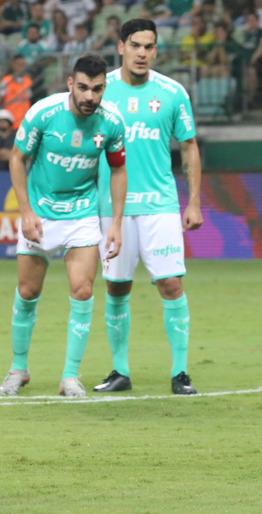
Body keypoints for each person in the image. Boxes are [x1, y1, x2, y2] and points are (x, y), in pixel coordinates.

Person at [0, 54, 127, 398]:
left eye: (97, 89)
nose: (89, 96)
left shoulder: (112, 123)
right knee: (27, 292)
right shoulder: (43, 113)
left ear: (104, 87)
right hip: (40, 213)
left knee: (82, 290)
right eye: (83, 87)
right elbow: (17, 157)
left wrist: (115, 222)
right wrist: (25, 211)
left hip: (82, 215)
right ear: (71, 83)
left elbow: (117, 170)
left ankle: (70, 376)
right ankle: (18, 368)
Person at [93, 19, 203, 395]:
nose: (142, 53)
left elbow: (189, 146)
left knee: (171, 284)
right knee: (116, 286)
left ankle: (181, 373)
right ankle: (120, 371)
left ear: (156, 50)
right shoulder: (100, 90)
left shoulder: (172, 92)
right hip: (112, 207)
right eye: (135, 45)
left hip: (160, 204)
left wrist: (195, 202)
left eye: (149, 46)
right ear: (121, 46)